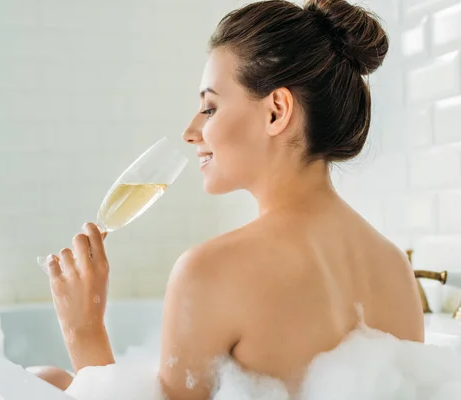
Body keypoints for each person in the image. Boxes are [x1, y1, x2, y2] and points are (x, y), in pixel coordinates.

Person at [33, 0, 424, 398]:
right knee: (51, 379)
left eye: (209, 107)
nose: (190, 131)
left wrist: (83, 330)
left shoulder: (208, 271)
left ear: (276, 111)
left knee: (41, 379)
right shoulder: (395, 269)